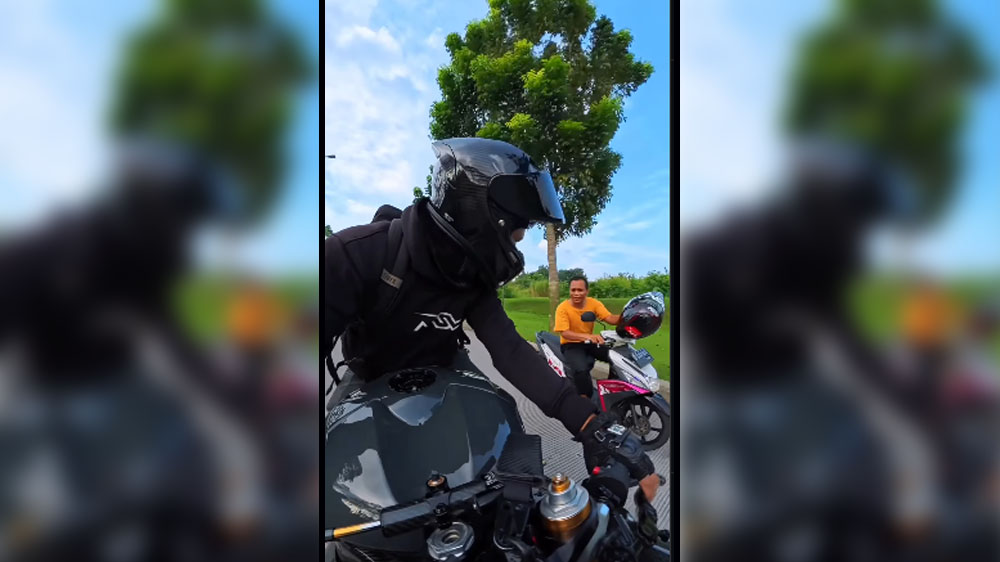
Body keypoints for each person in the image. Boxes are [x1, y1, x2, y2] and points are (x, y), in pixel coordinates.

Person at [325, 137, 659, 501]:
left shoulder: (471, 276)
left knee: (501, 419)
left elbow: (511, 351)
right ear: (481, 218)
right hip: (369, 375)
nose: (516, 246)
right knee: (334, 458)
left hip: (445, 366)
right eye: (515, 234)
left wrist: (591, 425)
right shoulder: (355, 253)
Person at [554, 275, 622, 397]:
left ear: (586, 291)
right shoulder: (563, 308)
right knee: (581, 370)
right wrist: (588, 337)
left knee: (617, 357)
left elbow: (610, 318)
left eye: (580, 290)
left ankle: (613, 390)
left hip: (590, 343)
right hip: (571, 344)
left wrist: (628, 316)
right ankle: (585, 400)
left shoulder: (593, 303)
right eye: (573, 290)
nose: (576, 293)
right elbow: (564, 333)